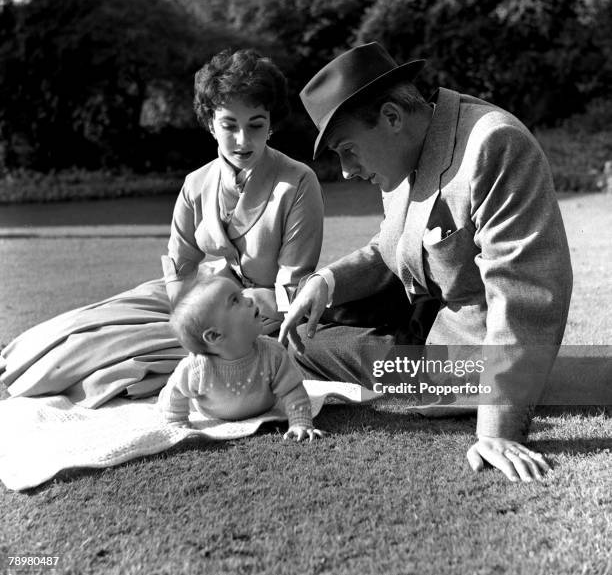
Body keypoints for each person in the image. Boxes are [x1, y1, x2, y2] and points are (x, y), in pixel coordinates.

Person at [279, 42, 573, 483]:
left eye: (347, 149)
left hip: (466, 359)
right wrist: (326, 281)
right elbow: (392, 247)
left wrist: (498, 430)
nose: (345, 170)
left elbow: (524, 293)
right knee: (294, 326)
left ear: (392, 118)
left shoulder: (493, 143)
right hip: (418, 320)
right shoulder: (403, 151)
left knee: (298, 348)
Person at [0, 48, 324, 408]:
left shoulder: (297, 182)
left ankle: (64, 377)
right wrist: (186, 310)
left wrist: (210, 317)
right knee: (90, 320)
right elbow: (180, 263)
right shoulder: (196, 183)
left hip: (251, 312)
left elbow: (291, 286)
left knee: (123, 347)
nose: (243, 140)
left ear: (271, 123)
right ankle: (25, 357)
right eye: (230, 125)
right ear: (210, 124)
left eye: (256, 124)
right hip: (191, 294)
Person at [158, 276, 323, 442]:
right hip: (211, 412)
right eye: (235, 300)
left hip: (265, 406)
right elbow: (175, 391)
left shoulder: (273, 354)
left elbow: (292, 389)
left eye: (242, 294)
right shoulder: (197, 368)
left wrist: (299, 422)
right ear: (215, 335)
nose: (250, 299)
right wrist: (177, 422)